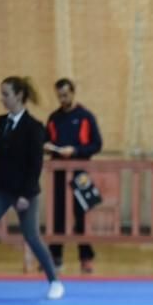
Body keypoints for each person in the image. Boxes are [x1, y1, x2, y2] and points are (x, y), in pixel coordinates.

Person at [0, 76, 64, 300]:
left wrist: (25, 194)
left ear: (19, 96)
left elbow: (35, 164)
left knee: (31, 236)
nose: (2, 99)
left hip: (25, 191)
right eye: (2, 94)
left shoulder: (34, 127)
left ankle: (55, 281)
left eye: (6, 94)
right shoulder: (0, 122)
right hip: (0, 188)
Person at [43, 78, 103, 273]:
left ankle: (86, 257)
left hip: (80, 173)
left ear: (73, 93)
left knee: (81, 215)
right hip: (58, 172)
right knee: (57, 214)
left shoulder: (86, 116)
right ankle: (55, 256)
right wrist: (46, 147)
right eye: (59, 95)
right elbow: (46, 141)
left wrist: (75, 151)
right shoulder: (53, 118)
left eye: (66, 94)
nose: (63, 98)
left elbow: (97, 144)